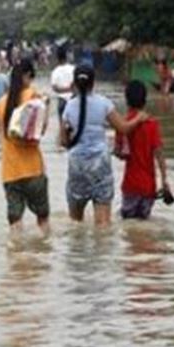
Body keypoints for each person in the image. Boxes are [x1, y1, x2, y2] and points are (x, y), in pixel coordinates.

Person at [60, 65, 148, 226]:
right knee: (103, 224)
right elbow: (123, 128)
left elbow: (64, 142)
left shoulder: (69, 107)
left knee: (75, 223)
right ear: (94, 83)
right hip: (100, 164)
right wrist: (138, 119)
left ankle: (75, 251)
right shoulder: (104, 104)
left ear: (75, 83)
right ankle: (102, 252)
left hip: (77, 164)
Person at [0, 57, 49, 234]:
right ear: (26, 76)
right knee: (43, 220)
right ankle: (44, 253)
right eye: (31, 77)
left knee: (15, 224)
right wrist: (46, 108)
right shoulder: (33, 96)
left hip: (10, 172)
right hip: (33, 170)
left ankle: (17, 257)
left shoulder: (1, 103)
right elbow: (41, 131)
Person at [114, 81, 169, 220]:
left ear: (126, 100)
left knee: (129, 226)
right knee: (144, 225)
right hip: (148, 187)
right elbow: (159, 155)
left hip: (131, 185)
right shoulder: (152, 124)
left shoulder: (122, 124)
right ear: (145, 101)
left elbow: (119, 153)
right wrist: (164, 180)